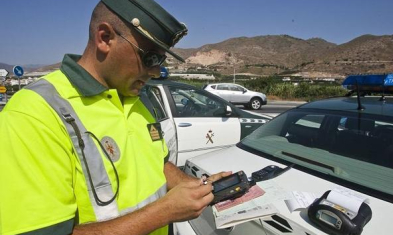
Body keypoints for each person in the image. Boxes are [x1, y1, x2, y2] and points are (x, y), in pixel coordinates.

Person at [0, 0, 231, 234]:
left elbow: (157, 165)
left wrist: (195, 188)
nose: (156, 72)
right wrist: (166, 211)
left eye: (161, 61)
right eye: (150, 58)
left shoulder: (137, 98)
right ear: (105, 38)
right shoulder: (33, 113)